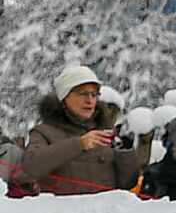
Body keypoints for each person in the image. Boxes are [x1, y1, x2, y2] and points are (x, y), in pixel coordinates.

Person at [21, 63, 140, 195]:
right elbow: (31, 167)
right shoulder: (44, 132)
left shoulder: (105, 131)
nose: (90, 100)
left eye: (94, 94)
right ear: (64, 98)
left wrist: (125, 152)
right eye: (83, 94)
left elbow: (127, 184)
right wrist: (80, 144)